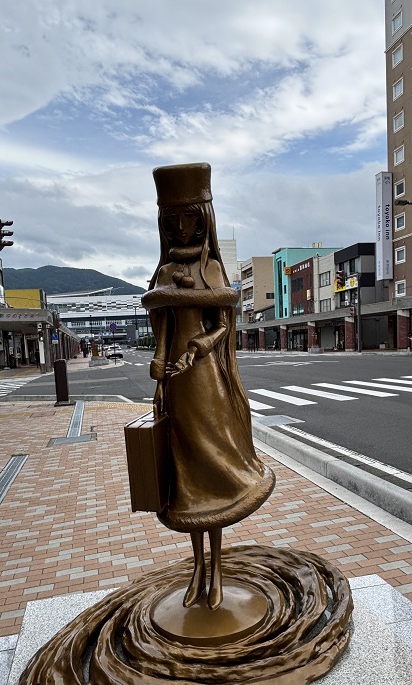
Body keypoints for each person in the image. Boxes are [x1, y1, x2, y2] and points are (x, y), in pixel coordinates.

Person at [142, 163, 275, 610]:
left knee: (212, 472)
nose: (182, 228)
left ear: (204, 219)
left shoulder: (212, 268)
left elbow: (222, 323)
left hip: (205, 381)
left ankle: (216, 565)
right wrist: (159, 364)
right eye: (173, 220)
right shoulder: (164, 273)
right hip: (176, 386)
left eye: (190, 218)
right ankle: (197, 565)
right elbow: (163, 326)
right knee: (187, 476)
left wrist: (199, 346)